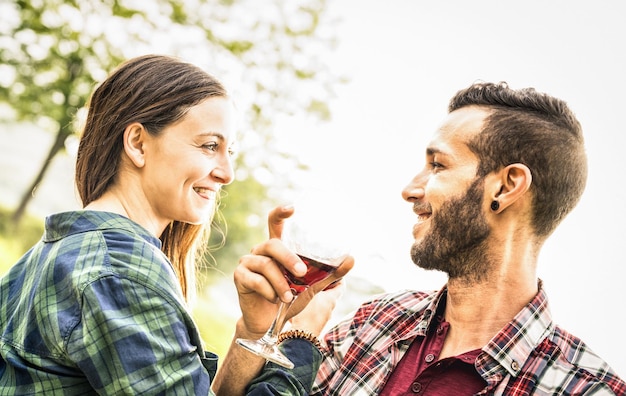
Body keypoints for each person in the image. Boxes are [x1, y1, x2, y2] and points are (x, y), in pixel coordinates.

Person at [239, 82, 626, 395]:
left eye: (437, 165)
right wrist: (258, 330)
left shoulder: (588, 389)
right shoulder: (371, 325)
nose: (410, 189)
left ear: (507, 187)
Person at [0, 54, 352, 395]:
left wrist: (255, 329)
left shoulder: (58, 252)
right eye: (209, 145)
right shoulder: (121, 275)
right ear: (138, 143)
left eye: (230, 152)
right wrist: (303, 336)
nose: (227, 173)